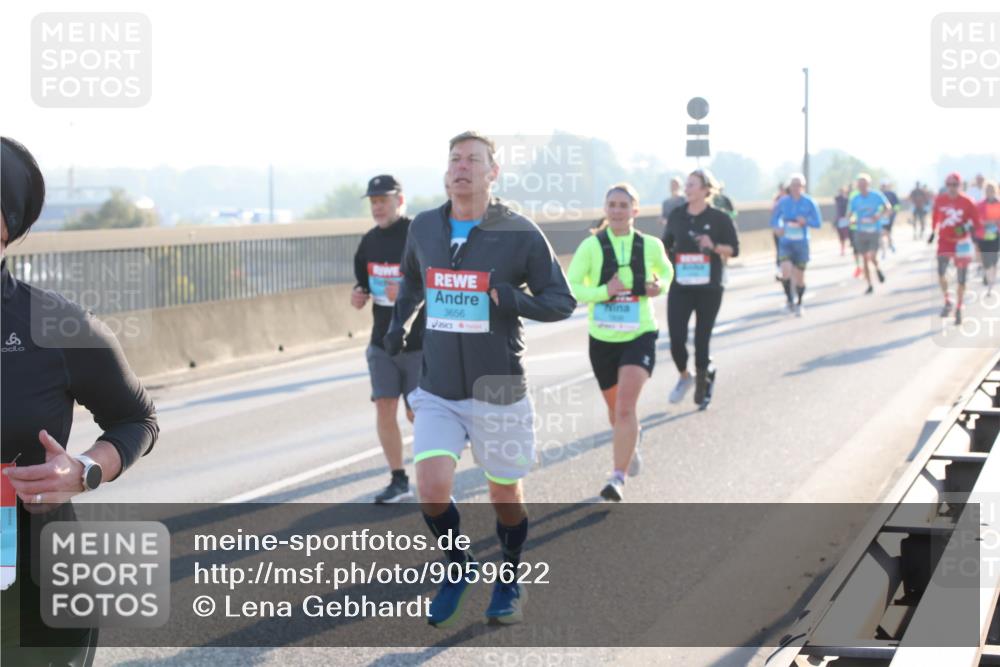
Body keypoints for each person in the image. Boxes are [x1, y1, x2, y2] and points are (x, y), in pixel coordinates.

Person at [383, 131, 575, 627]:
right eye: (454, 159)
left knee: (504, 495)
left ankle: (509, 573)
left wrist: (512, 299)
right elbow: (411, 281)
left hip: (499, 388)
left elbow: (561, 301)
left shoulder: (520, 232)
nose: (462, 166)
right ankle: (458, 565)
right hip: (438, 387)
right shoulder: (424, 227)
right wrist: (397, 323)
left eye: (474, 159)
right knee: (430, 487)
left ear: (494, 172)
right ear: (446, 173)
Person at [1, 136, 160, 666]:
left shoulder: (55, 324)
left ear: (7, 225)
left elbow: (136, 418)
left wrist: (85, 469)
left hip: (33, 591)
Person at [567, 183, 672, 502]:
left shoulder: (650, 245)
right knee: (616, 412)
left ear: (635, 211)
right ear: (605, 209)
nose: (616, 210)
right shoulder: (591, 247)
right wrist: (603, 292)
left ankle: (617, 477)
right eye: (611, 204)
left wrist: (659, 286)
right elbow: (572, 286)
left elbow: (666, 273)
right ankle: (630, 443)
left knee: (626, 407)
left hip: (639, 334)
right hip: (602, 337)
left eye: (623, 205)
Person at [351, 175, 425, 504]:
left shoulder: (417, 235)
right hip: (381, 342)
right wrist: (359, 294)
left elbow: (438, 281)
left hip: (418, 342)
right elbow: (363, 284)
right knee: (385, 406)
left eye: (384, 200)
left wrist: (408, 292)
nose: (378, 207)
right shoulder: (369, 242)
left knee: (419, 413)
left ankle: (433, 476)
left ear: (400, 199)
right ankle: (398, 479)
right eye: (373, 202)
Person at [662, 169, 739, 409]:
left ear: (705, 190)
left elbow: (734, 250)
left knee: (702, 341)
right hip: (681, 286)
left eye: (692, 185)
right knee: (676, 339)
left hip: (709, 288)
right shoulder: (677, 215)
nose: (687, 188)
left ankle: (705, 379)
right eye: (686, 184)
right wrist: (666, 263)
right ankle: (685, 376)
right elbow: (665, 246)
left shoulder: (719, 218)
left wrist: (713, 246)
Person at [931, 172, 982, 324]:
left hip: (961, 243)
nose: (952, 188)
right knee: (941, 272)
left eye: (955, 185)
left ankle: (959, 306)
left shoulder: (968, 201)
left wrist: (968, 228)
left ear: (960, 186)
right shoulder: (940, 200)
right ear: (946, 186)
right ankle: (948, 300)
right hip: (945, 241)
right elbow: (935, 217)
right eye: (949, 185)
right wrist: (932, 231)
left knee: (961, 278)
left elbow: (977, 223)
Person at [771, 173, 823, 316]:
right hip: (786, 242)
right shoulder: (783, 202)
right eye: (793, 185)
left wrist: (805, 221)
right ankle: (789, 301)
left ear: (803, 187)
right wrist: (778, 227)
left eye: (798, 185)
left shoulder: (809, 202)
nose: (795, 188)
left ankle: (799, 302)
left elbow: (818, 223)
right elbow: (774, 218)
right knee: (786, 271)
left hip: (801, 243)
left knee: (799, 277)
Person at [847, 173, 889, 294]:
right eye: (859, 184)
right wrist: (851, 220)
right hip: (861, 231)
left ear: (868, 184)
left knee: (871, 256)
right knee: (864, 259)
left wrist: (879, 215)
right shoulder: (855, 199)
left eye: (864, 184)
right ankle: (869, 284)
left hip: (874, 231)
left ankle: (877, 268)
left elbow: (888, 207)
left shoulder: (876, 196)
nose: (862, 186)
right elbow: (849, 214)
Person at [976, 181, 999, 295]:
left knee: (994, 261)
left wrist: (996, 222)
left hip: (996, 236)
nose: (990, 193)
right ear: (985, 192)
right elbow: (976, 219)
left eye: (992, 191)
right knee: (986, 262)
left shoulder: (998, 204)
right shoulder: (980, 205)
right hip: (983, 236)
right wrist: (986, 222)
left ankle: (991, 286)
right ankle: (986, 273)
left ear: (995, 191)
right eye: (988, 191)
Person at [879, 180, 900, 256]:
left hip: (890, 216)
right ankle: (884, 249)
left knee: (887, 232)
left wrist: (893, 212)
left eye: (885, 185)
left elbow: (897, 205)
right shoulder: (879, 194)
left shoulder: (892, 194)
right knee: (881, 232)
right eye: (882, 185)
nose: (883, 187)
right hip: (881, 217)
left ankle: (890, 244)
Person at [834, 186, 851, 255]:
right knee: (841, 236)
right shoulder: (838, 199)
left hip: (846, 219)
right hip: (839, 219)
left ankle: (847, 246)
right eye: (840, 191)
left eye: (842, 191)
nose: (841, 193)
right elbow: (836, 197)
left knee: (847, 234)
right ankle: (842, 249)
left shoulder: (847, 200)